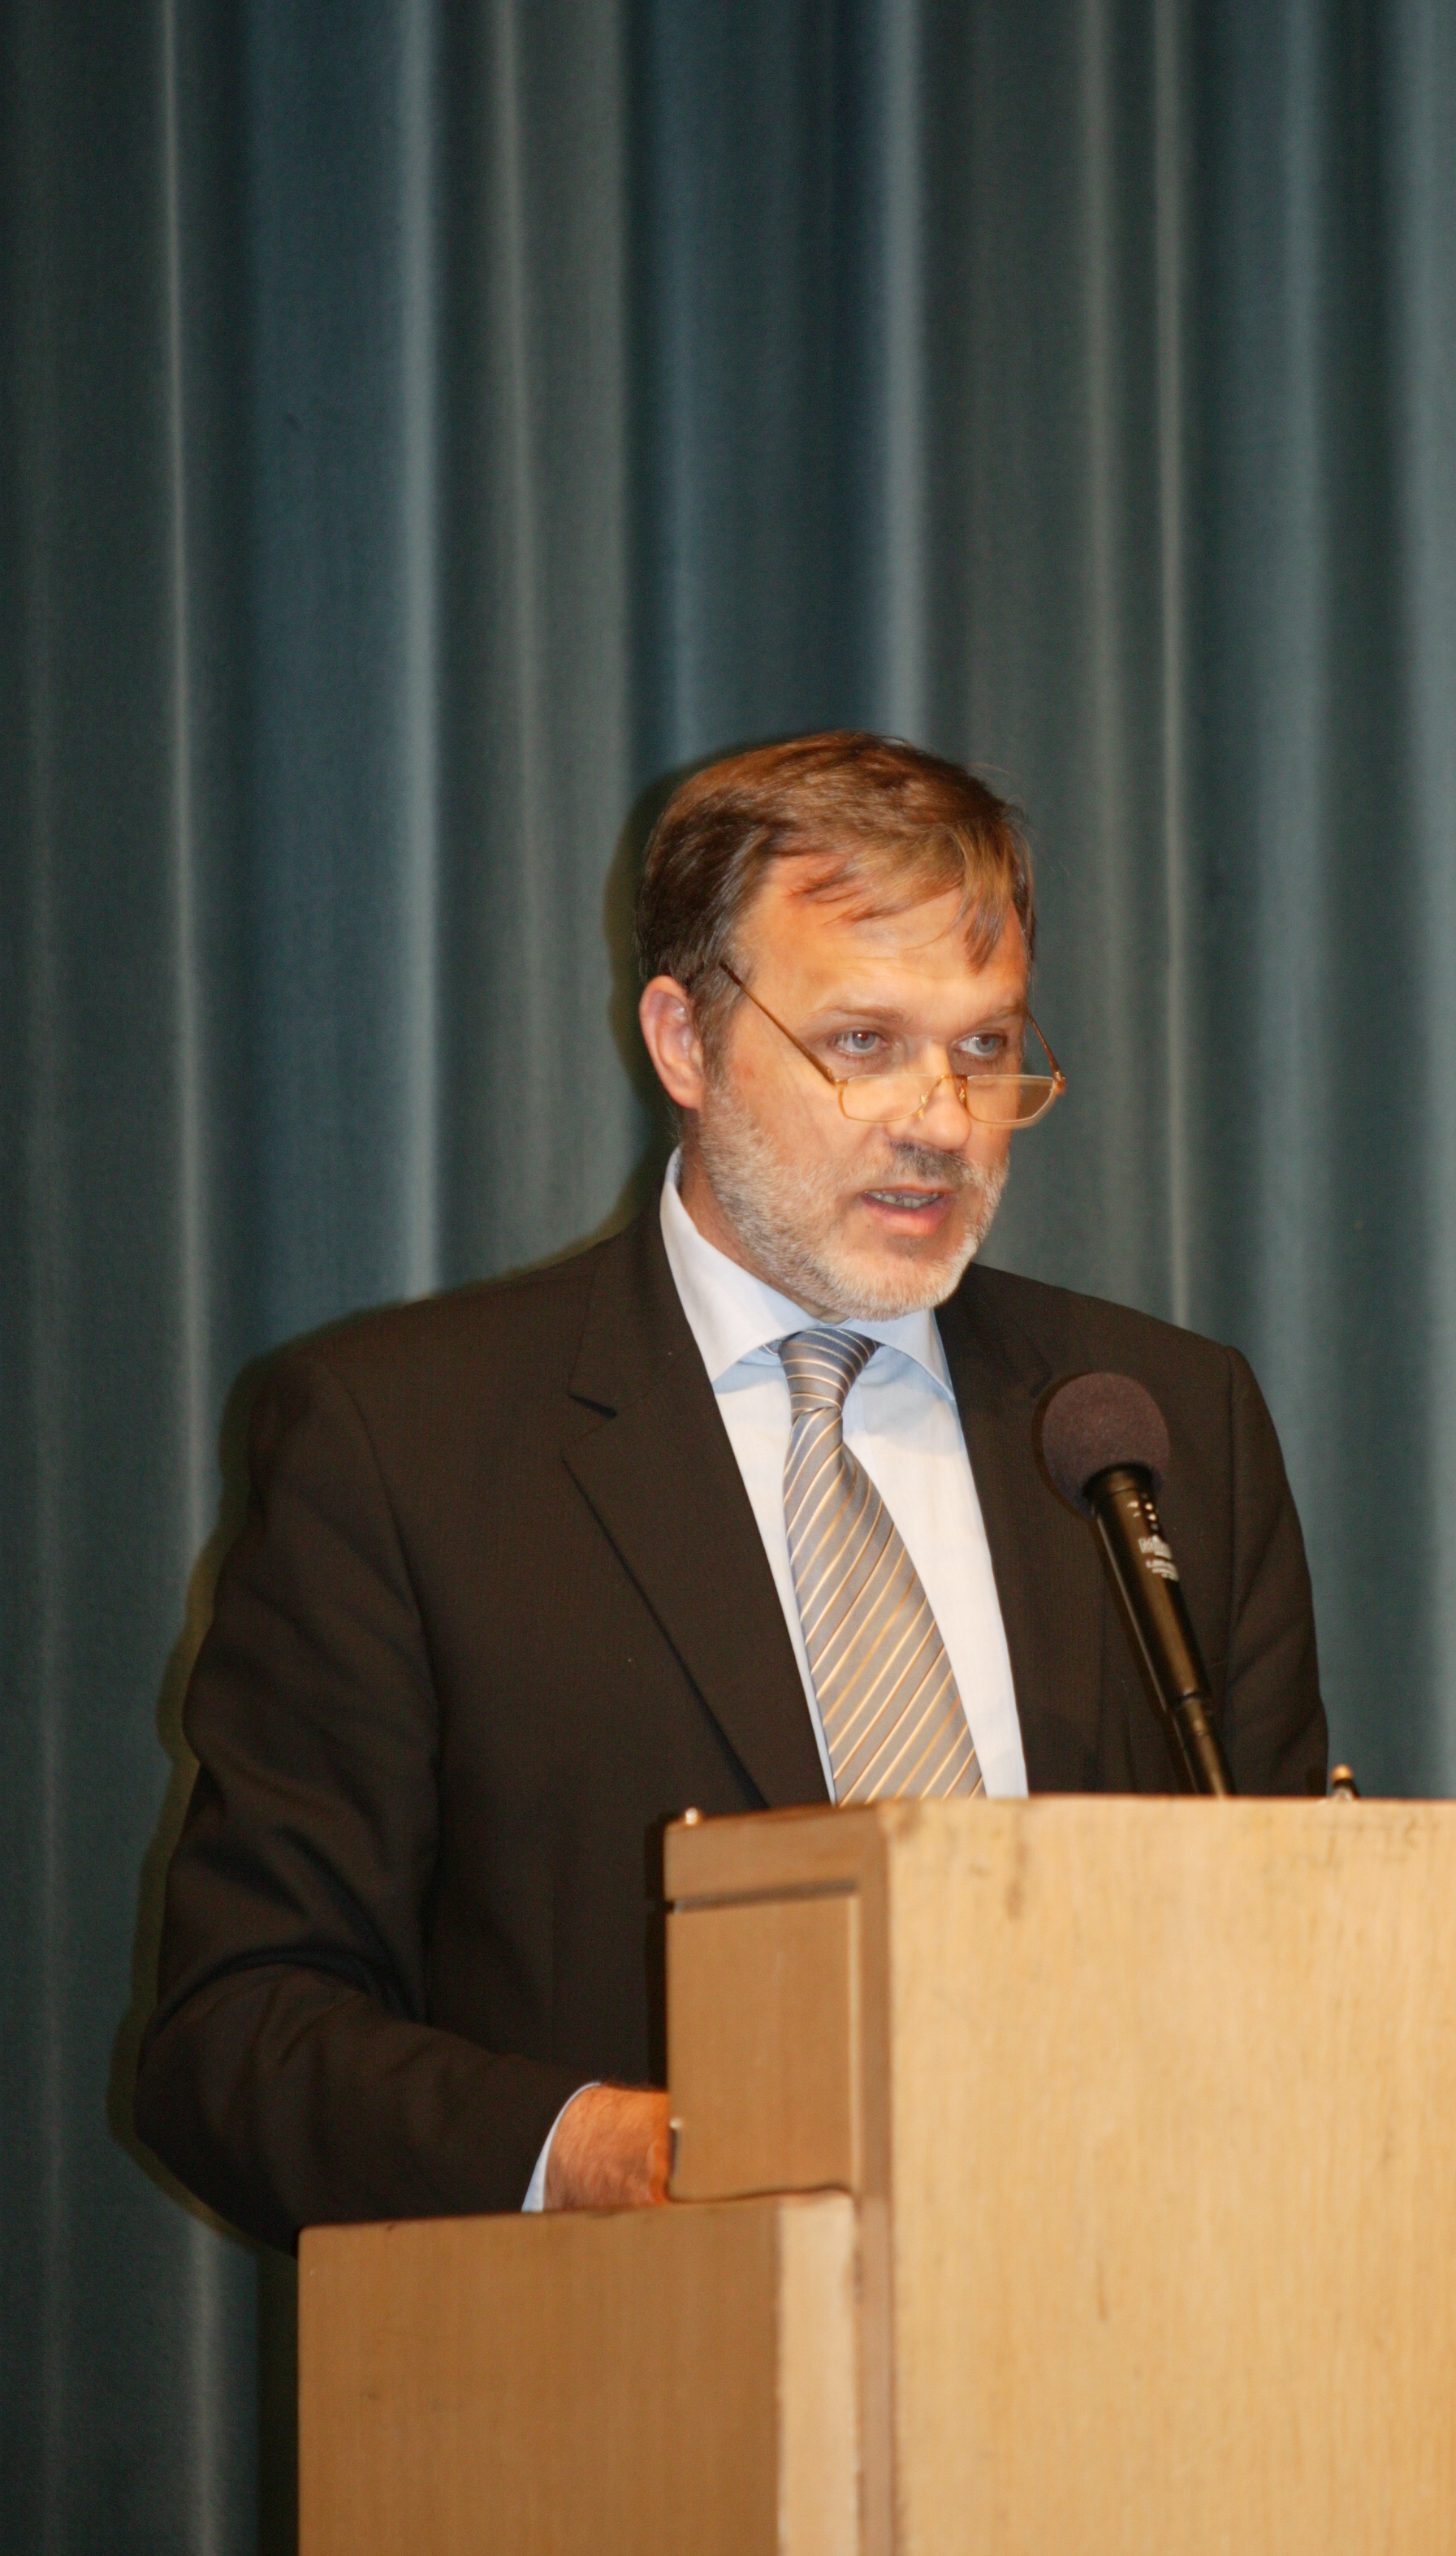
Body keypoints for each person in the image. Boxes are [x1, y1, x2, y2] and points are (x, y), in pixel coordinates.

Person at [136, 733, 1326, 2251]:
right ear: (685, 1041)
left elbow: (1303, 1956)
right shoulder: (402, 1443)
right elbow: (239, 2036)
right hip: (630, 2355)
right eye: (864, 1042)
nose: (941, 1120)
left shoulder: (1158, 1425)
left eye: (983, 1047)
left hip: (1118, 2328)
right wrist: (600, 2152)